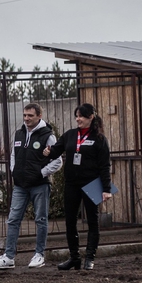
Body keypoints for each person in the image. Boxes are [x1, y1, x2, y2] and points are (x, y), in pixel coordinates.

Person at [0, 103, 63, 270]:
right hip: (20, 186)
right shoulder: (19, 134)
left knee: (41, 219)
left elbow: (58, 161)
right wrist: (14, 171)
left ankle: (39, 255)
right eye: (25, 115)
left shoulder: (48, 136)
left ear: (39, 116)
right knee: (13, 219)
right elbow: (14, 156)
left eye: (30, 115)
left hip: (39, 185)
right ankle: (9, 257)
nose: (26, 118)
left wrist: (41, 173)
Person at [44, 103, 112, 271]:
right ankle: (74, 257)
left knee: (92, 221)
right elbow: (56, 151)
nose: (78, 119)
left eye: (81, 116)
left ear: (91, 117)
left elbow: (104, 166)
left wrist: (106, 189)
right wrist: (48, 152)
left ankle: (90, 257)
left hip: (92, 183)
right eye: (76, 116)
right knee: (70, 221)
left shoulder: (99, 138)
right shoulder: (70, 135)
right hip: (72, 184)